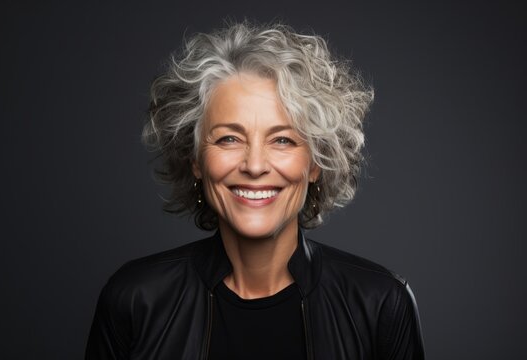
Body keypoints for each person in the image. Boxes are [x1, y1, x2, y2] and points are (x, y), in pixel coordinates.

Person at [85, 20, 425, 360]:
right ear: (196, 160)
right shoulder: (134, 299)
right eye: (229, 138)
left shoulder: (382, 304)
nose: (255, 165)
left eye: (282, 140)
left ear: (316, 162)